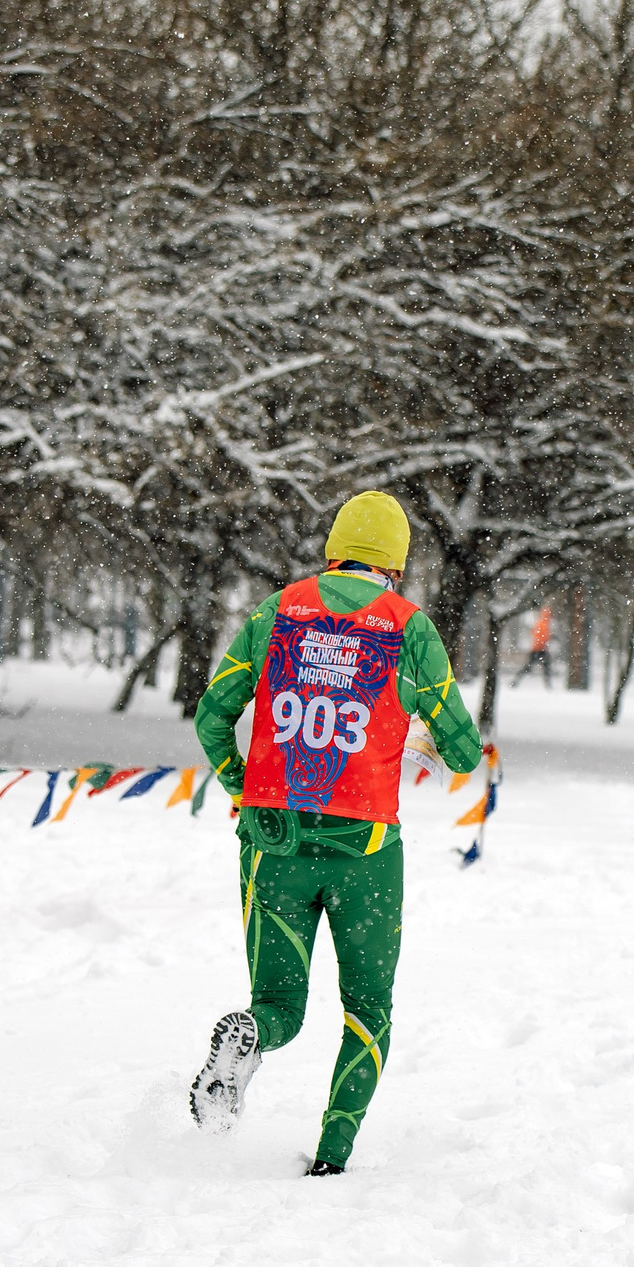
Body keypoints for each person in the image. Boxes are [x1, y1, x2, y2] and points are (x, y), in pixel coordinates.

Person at [188, 491, 485, 1175]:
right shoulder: (409, 629)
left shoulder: (276, 610)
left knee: (279, 1003)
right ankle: (330, 1156)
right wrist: (420, 734)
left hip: (274, 841)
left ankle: (251, 1033)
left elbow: (211, 717)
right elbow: (465, 751)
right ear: (396, 567)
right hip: (365, 854)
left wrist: (243, 787)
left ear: (333, 552)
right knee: (368, 1011)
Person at [512, 605, 554, 687]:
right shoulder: (543, 624)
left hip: (537, 649)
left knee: (529, 667)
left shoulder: (542, 623)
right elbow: (541, 637)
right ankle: (548, 684)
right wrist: (543, 643)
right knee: (544, 668)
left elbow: (535, 634)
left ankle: (516, 681)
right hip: (539, 650)